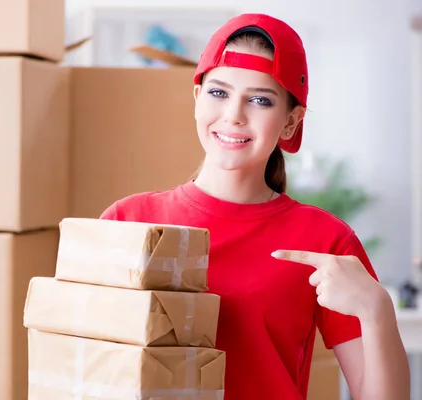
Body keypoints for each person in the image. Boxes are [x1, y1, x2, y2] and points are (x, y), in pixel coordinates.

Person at [100, 13, 410, 400]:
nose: (233, 115)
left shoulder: (323, 243)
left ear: (290, 123)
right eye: (219, 92)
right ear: (197, 98)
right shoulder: (127, 223)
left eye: (260, 100)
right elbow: (87, 365)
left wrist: (377, 310)